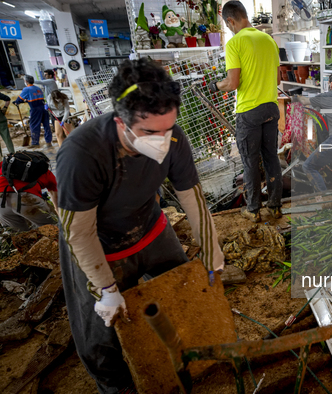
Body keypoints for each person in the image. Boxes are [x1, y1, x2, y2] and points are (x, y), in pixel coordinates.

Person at [56, 59, 225, 393]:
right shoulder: (82, 153)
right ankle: (117, 388)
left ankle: (183, 366)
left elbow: (192, 198)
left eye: (169, 128)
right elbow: (80, 232)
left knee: (185, 294)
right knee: (101, 336)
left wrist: (213, 252)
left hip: (149, 227)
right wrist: (105, 288)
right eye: (150, 133)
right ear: (121, 122)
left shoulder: (174, 138)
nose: (163, 140)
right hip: (96, 243)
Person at [209, 0, 283, 223]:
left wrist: (215, 86)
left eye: (228, 25)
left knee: (250, 162)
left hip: (249, 112)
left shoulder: (235, 43)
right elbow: (278, 79)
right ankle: (275, 206)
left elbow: (232, 83)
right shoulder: (269, 40)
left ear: (230, 20)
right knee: (271, 158)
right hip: (271, 108)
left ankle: (252, 209)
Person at [0, 162, 57, 231]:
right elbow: (56, 197)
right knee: (53, 229)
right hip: (26, 199)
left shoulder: (4, 165)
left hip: (2, 202)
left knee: (18, 237)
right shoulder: (43, 170)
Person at [14, 75, 52, 149]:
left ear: (26, 81)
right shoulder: (38, 88)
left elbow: (19, 99)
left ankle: (35, 143)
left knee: (34, 125)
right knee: (46, 125)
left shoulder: (26, 89)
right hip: (44, 108)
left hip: (35, 109)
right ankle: (48, 142)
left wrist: (16, 102)